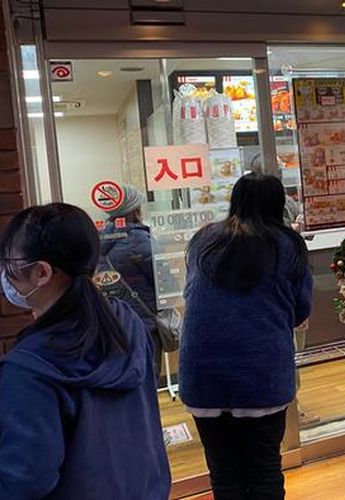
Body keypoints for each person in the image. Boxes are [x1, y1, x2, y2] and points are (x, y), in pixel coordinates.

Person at [0, 203, 170, 499]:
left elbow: (25, 479)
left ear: (41, 272)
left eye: (9, 262)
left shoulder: (30, 368)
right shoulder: (126, 323)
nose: (5, 273)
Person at [179, 173, 313, 500]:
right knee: (264, 467)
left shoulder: (204, 240)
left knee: (223, 472)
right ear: (278, 204)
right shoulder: (287, 245)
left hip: (201, 375)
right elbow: (300, 311)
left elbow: (191, 294)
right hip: (260, 374)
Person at [97, 184, 164, 379]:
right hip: (143, 321)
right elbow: (161, 281)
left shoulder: (99, 237)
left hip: (112, 320)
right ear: (134, 209)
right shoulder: (138, 239)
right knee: (148, 378)